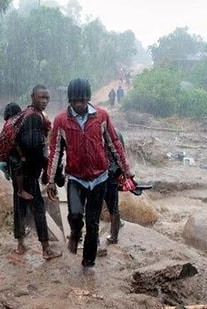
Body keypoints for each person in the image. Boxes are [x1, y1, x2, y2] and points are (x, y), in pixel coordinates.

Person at [46, 78, 132, 268]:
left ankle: (88, 264)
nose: (79, 105)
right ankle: (75, 233)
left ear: (88, 99)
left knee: (93, 223)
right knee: (75, 215)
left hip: (99, 178)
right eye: (75, 101)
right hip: (76, 179)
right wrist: (51, 180)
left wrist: (126, 170)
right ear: (70, 100)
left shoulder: (101, 116)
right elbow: (56, 152)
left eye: (82, 101)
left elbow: (114, 143)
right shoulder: (61, 121)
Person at [13, 85, 61, 260]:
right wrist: (47, 171)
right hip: (28, 172)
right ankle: (46, 249)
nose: (44, 101)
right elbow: (34, 147)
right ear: (32, 96)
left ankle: (20, 245)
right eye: (41, 97)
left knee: (19, 208)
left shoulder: (25, 114)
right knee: (39, 209)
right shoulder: (34, 118)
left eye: (47, 98)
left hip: (19, 171)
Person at [0, 102, 34, 200]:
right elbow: (15, 142)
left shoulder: (8, 123)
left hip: (4, 152)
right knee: (19, 165)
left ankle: (5, 167)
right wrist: (22, 155)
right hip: (10, 151)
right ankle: (20, 191)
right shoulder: (14, 124)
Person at [104, 129, 125, 244]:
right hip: (114, 172)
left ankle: (111, 236)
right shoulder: (118, 132)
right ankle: (114, 235)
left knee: (95, 207)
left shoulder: (96, 131)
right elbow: (122, 154)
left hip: (100, 173)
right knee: (114, 206)